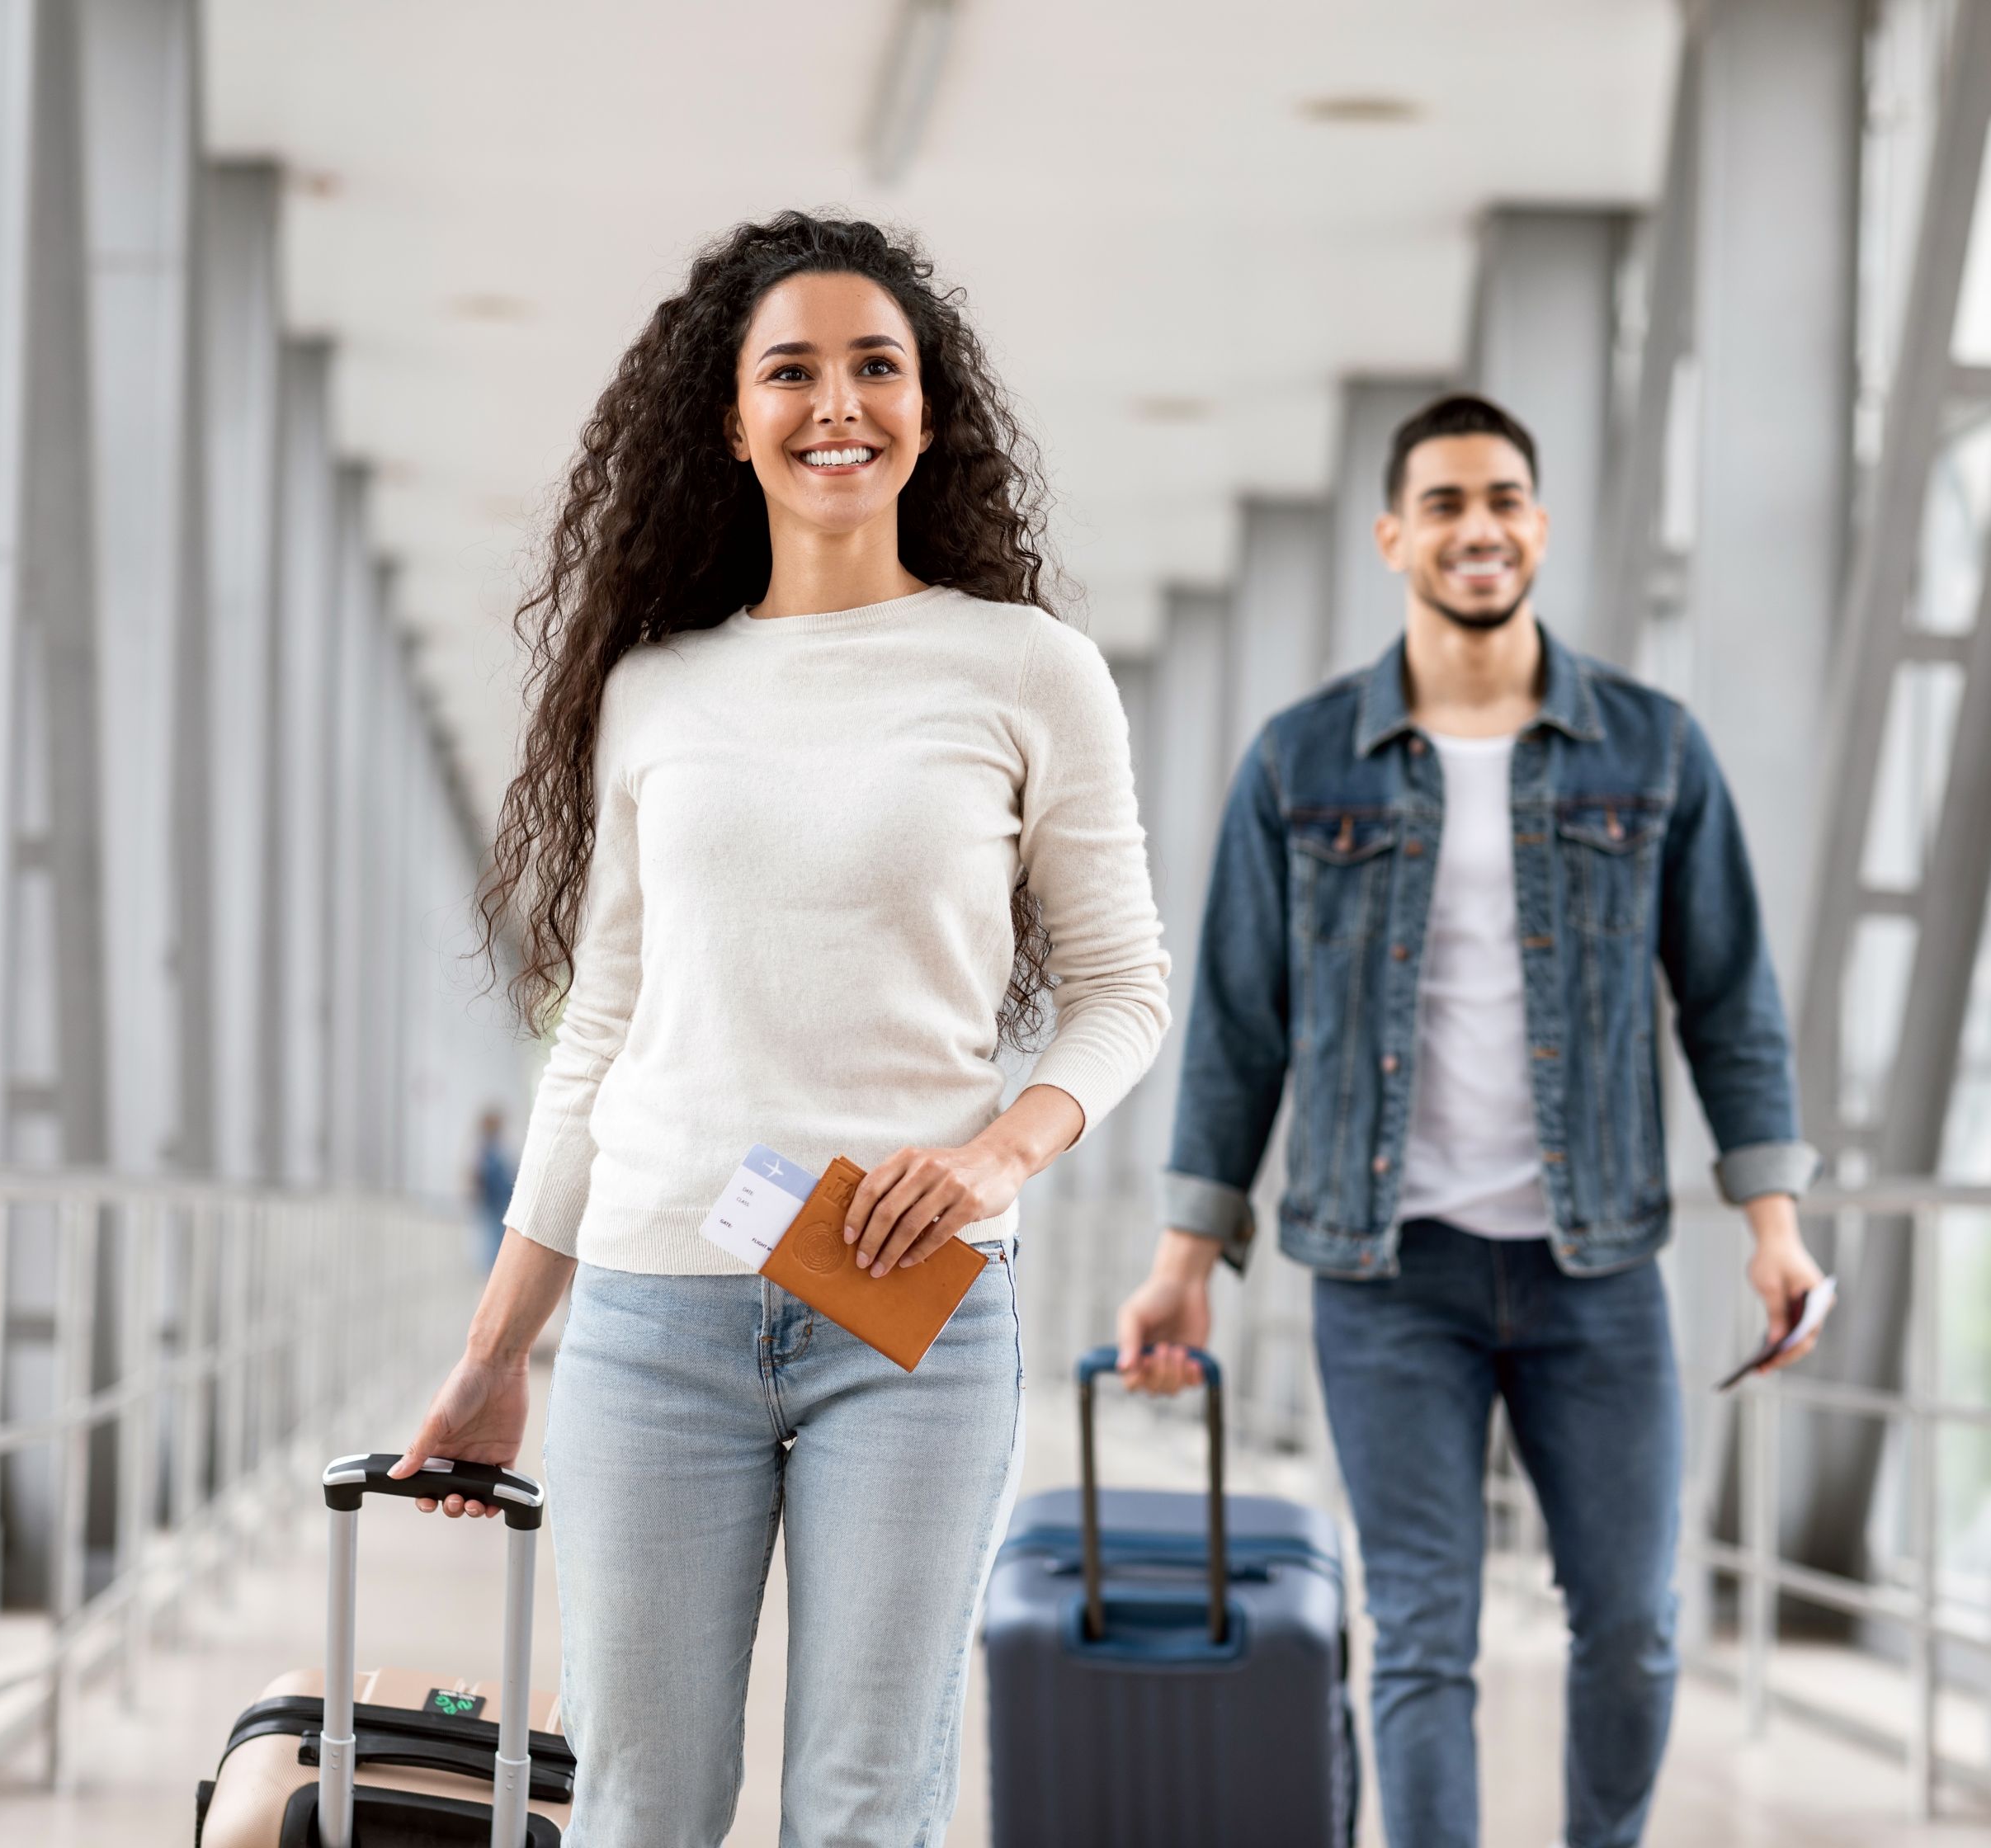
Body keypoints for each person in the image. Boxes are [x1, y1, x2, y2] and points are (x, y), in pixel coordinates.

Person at [395, 211, 1169, 1846]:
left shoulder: (1029, 671)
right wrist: (490, 1356)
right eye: (793, 369)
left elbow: (1121, 989)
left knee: (862, 1806)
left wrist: (994, 1154)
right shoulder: (656, 689)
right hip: (653, 1316)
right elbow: (597, 1031)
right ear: (732, 417)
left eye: (877, 365)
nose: (841, 401)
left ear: (930, 412)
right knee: (642, 1805)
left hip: (914, 1319)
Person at [1114, 394, 1824, 1847]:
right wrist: (1186, 1257)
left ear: (1540, 528)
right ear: (1394, 537)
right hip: (1387, 1277)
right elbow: (1241, 1028)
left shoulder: (1655, 748)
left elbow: (1732, 1000)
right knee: (1424, 1630)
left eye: (1502, 499)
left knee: (1631, 1626)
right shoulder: (1300, 761)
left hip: (1598, 1264)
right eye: (1442, 503)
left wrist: (1776, 1226)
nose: (1477, 526)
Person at [468, 1106, 514, 1276]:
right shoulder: (489, 1152)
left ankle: (493, 1274)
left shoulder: (489, 1150)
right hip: (494, 1205)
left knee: (493, 1242)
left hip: (495, 1205)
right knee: (493, 1244)